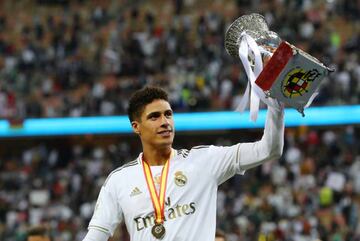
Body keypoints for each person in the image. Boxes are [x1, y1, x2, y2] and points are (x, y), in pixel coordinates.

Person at [82, 86, 284, 241]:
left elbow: (268, 149)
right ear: (136, 127)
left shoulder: (205, 161)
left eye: (168, 114)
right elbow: (96, 236)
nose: (165, 122)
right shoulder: (119, 180)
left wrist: (275, 101)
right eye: (154, 116)